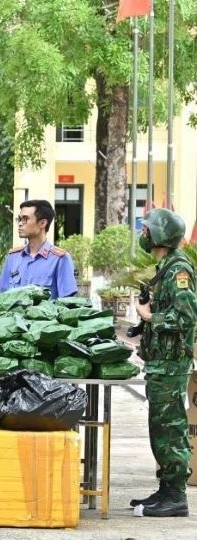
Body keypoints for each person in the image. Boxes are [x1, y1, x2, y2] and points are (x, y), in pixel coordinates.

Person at [129, 208, 195, 517]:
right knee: (160, 428)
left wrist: (148, 315)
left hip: (171, 365)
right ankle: (166, 490)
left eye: (147, 230)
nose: (143, 235)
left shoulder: (179, 271)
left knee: (170, 430)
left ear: (161, 235)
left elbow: (184, 317)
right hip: (160, 364)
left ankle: (176, 495)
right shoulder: (166, 268)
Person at [0, 199, 77, 298]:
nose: (20, 223)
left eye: (25, 219)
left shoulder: (60, 259)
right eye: (19, 219)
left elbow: (67, 303)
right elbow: (1, 296)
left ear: (42, 223)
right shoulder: (13, 258)